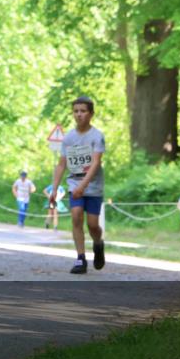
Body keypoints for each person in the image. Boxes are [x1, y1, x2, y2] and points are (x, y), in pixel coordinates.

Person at [50, 96, 106, 275]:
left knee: (93, 225)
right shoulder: (68, 138)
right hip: (74, 182)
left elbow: (96, 163)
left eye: (83, 111)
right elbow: (61, 164)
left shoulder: (97, 136)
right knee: (75, 216)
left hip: (93, 184)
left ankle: (98, 244)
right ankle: (80, 258)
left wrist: (84, 185)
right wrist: (54, 188)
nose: (79, 114)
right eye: (76, 111)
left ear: (91, 114)